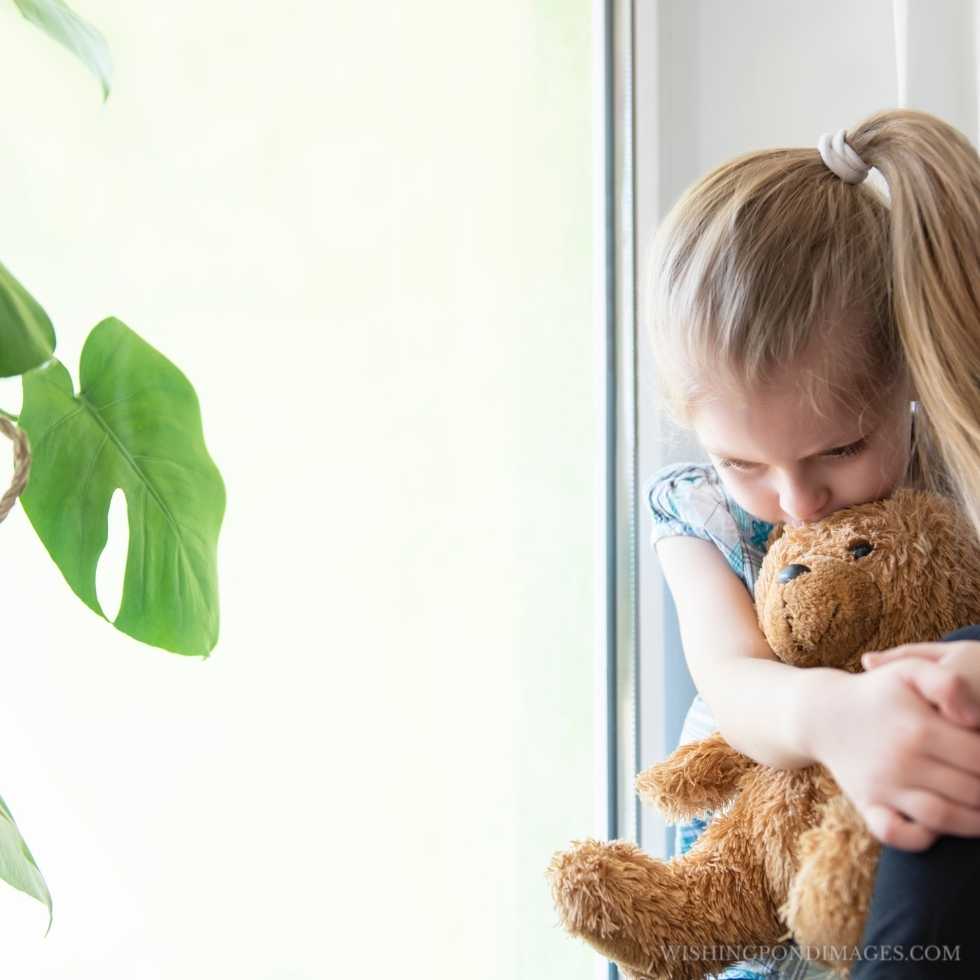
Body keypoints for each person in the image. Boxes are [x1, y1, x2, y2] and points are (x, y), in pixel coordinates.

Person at [644, 108, 980, 979]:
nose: (795, 500)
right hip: (754, 910)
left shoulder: (954, 478)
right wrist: (837, 717)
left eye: (839, 449)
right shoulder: (701, 517)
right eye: (743, 461)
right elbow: (733, 679)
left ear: (908, 374)